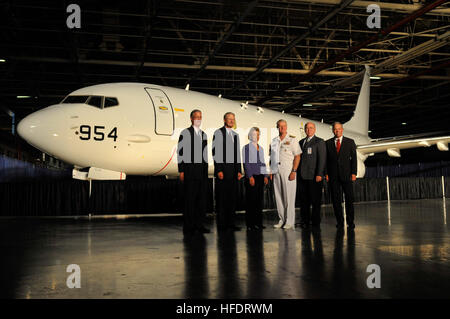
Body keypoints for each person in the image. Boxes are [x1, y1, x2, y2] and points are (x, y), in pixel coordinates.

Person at [177, 109, 210, 235]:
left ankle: (199, 225)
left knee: (201, 201)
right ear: (191, 118)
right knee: (189, 200)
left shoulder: (204, 135)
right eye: (196, 117)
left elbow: (205, 155)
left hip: (201, 172)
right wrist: (181, 170)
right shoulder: (185, 133)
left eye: (200, 117)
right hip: (190, 171)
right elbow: (180, 152)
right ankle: (189, 226)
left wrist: (205, 173)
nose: (198, 119)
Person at [213, 112, 242, 232]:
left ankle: (231, 224)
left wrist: (239, 170)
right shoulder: (218, 133)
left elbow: (237, 154)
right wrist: (219, 169)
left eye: (233, 119)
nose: (231, 121)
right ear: (224, 120)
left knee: (232, 199)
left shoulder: (236, 135)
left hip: (234, 172)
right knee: (222, 199)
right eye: (229, 119)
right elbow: (216, 151)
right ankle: (222, 225)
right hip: (223, 171)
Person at [270, 119, 301, 230]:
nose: (282, 128)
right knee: (279, 197)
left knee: (289, 197)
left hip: (288, 171)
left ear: (286, 127)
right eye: (279, 126)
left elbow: (297, 156)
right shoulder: (274, 141)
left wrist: (294, 171)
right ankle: (281, 220)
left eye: (283, 126)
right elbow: (272, 157)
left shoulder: (292, 140)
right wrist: (271, 171)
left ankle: (290, 221)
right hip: (276, 171)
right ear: (277, 127)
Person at [325, 122, 357, 230]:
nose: (337, 131)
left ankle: (350, 222)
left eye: (339, 129)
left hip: (347, 175)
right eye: (335, 129)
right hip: (333, 176)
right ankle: (339, 222)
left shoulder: (350, 142)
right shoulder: (328, 143)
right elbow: (326, 161)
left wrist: (354, 173)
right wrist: (326, 173)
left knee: (349, 199)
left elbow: (354, 159)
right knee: (336, 200)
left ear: (342, 129)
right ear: (333, 130)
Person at [297, 122, 326, 230]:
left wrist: (319, 174)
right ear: (304, 130)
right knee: (304, 201)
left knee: (315, 201)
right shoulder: (301, 142)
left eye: (311, 128)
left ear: (314, 129)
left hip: (314, 176)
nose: (308, 130)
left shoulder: (319, 142)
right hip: (302, 177)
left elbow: (322, 159)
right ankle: (305, 221)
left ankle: (315, 222)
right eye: (307, 128)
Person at [242, 127, 269, 231]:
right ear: (250, 136)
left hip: (260, 177)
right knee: (251, 202)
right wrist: (250, 176)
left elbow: (262, 163)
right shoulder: (246, 148)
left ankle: (258, 223)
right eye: (254, 134)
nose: (256, 136)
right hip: (252, 177)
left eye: (258, 134)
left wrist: (265, 175)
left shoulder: (260, 148)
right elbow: (246, 163)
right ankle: (250, 224)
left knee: (259, 201)